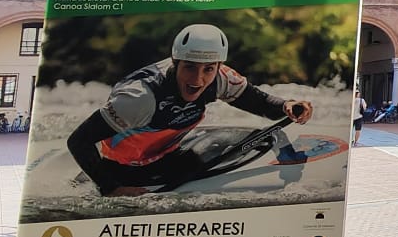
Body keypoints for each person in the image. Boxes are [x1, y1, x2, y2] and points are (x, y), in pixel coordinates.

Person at [65, 24, 315, 197]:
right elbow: (78, 141)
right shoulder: (139, 97)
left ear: (218, 65)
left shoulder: (221, 78)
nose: (198, 79)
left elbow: (259, 103)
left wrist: (287, 106)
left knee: (249, 136)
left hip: (168, 153)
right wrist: (110, 188)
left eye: (208, 69)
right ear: (175, 63)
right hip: (123, 169)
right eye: (189, 68)